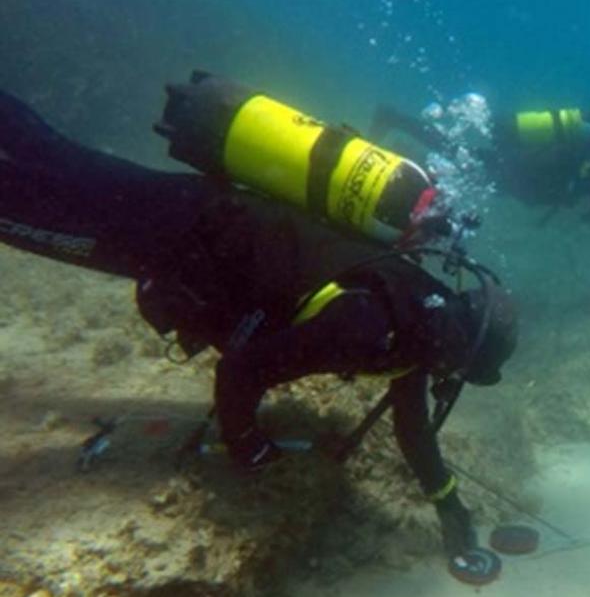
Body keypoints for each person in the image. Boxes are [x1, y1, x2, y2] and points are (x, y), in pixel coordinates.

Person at [0, 81, 518, 579]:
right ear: (458, 349)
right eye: (463, 371)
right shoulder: (372, 329)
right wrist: (247, 446)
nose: (449, 379)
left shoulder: (416, 316)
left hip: (200, 216)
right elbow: (241, 371)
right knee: (30, 209)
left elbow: (413, 430)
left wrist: (450, 506)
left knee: (55, 161)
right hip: (179, 237)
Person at [370, 102, 590, 229]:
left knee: (459, 162)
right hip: (521, 174)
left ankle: (396, 149)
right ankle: (394, 126)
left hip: (523, 172)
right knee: (458, 159)